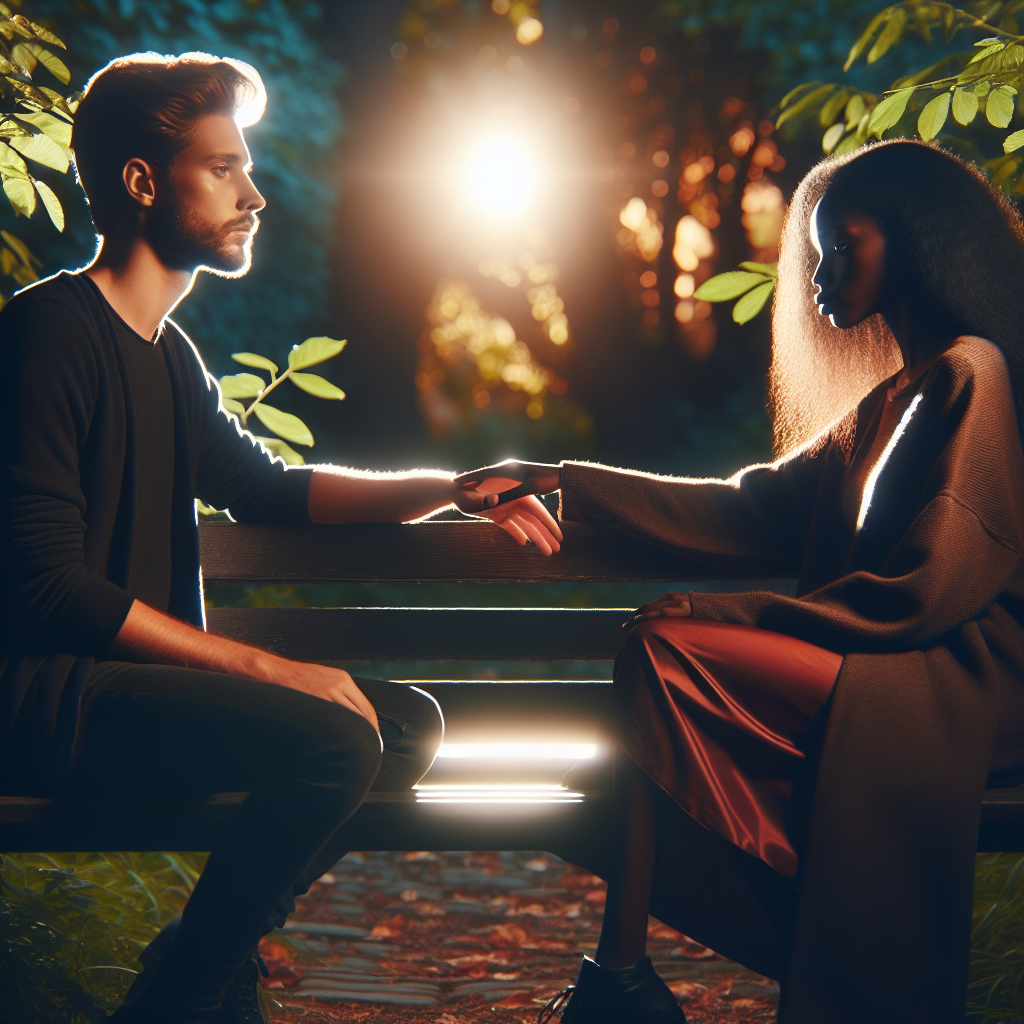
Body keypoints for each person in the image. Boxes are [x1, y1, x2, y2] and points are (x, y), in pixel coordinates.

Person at [0, 53, 562, 1024]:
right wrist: (266, 669)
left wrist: (455, 488)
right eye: (222, 168)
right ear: (141, 181)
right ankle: (188, 996)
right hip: (47, 703)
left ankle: (206, 954)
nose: (253, 192)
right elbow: (51, 588)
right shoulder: (48, 334)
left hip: (135, 704)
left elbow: (267, 489)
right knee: (333, 738)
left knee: (406, 721)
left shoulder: (169, 357)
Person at [458, 140, 1024, 1024]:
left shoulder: (971, 374)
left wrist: (738, 612)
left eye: (845, 247)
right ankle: (628, 976)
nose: (818, 275)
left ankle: (622, 981)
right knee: (656, 655)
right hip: (887, 658)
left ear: (914, 240)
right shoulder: (888, 403)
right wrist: (562, 476)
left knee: (662, 646)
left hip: (956, 678)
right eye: (816, 254)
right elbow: (742, 507)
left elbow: (932, 585)